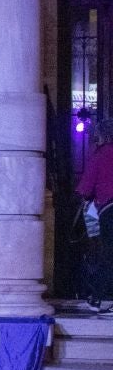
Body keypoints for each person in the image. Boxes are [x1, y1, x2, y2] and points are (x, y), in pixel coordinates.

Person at [77, 117, 113, 313]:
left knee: (108, 255)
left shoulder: (100, 155)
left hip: (109, 209)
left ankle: (97, 298)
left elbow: (85, 188)